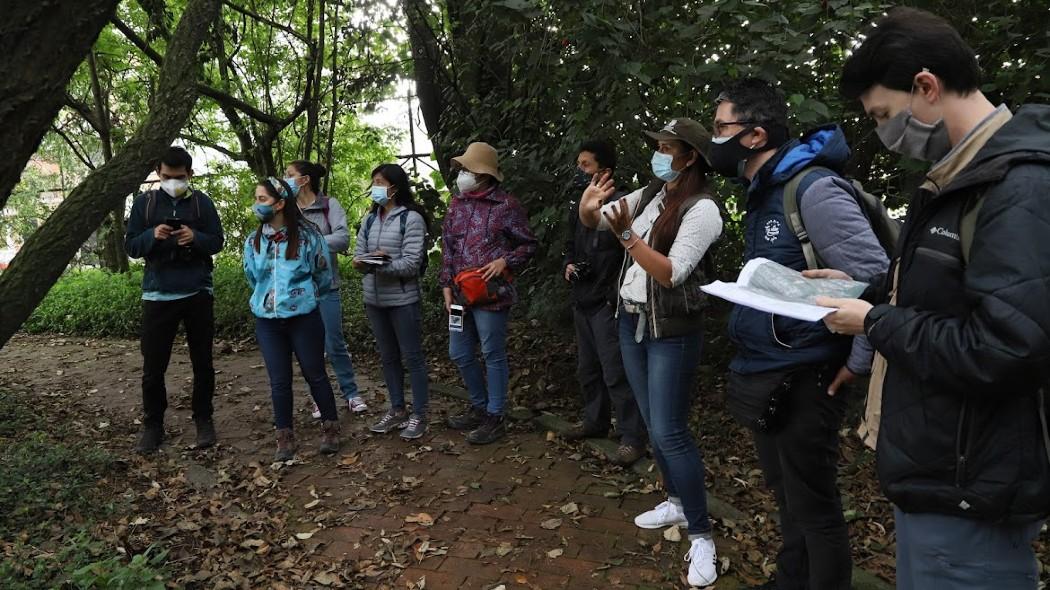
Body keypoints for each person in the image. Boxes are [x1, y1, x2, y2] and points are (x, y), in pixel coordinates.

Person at [819, 8, 1050, 589]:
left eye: (884, 116)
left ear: (926, 86)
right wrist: (853, 291)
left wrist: (875, 322)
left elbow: (1007, 346)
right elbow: (931, 287)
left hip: (973, 482)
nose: (883, 133)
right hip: (937, 468)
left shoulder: (1018, 185)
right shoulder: (954, 177)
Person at [708, 78, 890, 590]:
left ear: (754, 135)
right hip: (769, 367)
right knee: (786, 493)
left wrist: (856, 361)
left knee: (814, 503)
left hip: (811, 372)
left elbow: (877, 280)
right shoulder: (761, 192)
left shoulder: (811, 189)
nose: (713, 139)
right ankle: (791, 579)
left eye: (721, 127)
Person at [579, 118, 722, 587]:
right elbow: (598, 219)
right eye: (657, 146)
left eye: (667, 147)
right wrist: (588, 208)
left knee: (671, 431)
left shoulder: (702, 210)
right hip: (631, 322)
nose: (658, 154)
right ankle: (675, 503)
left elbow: (671, 273)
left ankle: (702, 535)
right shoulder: (650, 195)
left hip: (671, 331)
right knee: (652, 425)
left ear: (690, 156)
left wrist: (627, 237)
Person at [124, 146, 225, 453]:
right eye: (167, 176)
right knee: (153, 366)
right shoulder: (144, 203)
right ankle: (153, 426)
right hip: (157, 293)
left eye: (179, 177)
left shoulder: (201, 204)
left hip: (197, 292)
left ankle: (204, 420)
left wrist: (195, 238)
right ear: (158, 173)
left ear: (189, 175)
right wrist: (151, 235)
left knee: (203, 362)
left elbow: (217, 241)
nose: (172, 182)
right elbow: (131, 246)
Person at [440, 142, 538, 445]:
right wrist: (445, 284)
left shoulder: (506, 206)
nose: (462, 175)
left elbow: (529, 245)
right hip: (459, 293)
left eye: (468, 169)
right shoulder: (457, 205)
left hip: (492, 294)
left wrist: (504, 260)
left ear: (484, 174)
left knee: (492, 353)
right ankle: (479, 406)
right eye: (462, 169)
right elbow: (448, 248)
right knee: (459, 352)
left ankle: (495, 416)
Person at [244, 177, 340, 461]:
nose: (257, 205)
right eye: (257, 198)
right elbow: (252, 277)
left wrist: (303, 298)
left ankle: (331, 427)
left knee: (315, 374)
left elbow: (323, 275)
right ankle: (284, 436)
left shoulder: (309, 237)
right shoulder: (254, 241)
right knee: (279, 380)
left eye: (262, 199)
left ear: (280, 203)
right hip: (268, 321)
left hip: (304, 318)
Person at [562, 139, 645, 466]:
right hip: (582, 298)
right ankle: (595, 421)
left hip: (609, 301)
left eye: (586, 165)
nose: (580, 171)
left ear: (605, 171)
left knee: (616, 371)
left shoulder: (625, 204)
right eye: (579, 164)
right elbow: (570, 245)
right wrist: (568, 265)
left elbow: (632, 250)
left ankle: (631, 436)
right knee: (588, 369)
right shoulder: (577, 206)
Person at [354, 164, 432, 439]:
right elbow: (359, 254)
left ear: (395, 188)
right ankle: (397, 410)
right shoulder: (369, 219)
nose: (375, 187)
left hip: (403, 300)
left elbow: (411, 263)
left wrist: (378, 264)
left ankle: (420, 414)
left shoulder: (410, 219)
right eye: (373, 181)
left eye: (379, 182)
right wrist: (364, 263)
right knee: (388, 358)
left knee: (412, 357)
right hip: (374, 300)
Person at [286, 160, 367, 417]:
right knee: (308, 348)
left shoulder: (329, 205)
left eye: (290, 175)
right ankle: (318, 399)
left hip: (327, 286)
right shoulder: (286, 209)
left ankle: (351, 394)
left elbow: (342, 239)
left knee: (334, 343)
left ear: (305, 179)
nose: (285, 179)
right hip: (297, 290)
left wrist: (310, 242)